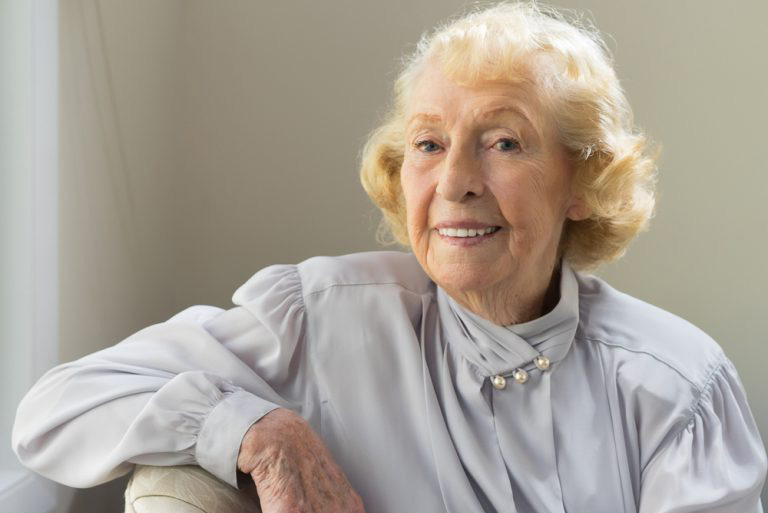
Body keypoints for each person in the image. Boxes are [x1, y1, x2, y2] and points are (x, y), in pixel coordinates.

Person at [12, 2, 767, 512]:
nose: (456, 182)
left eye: (503, 141)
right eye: (429, 144)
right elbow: (53, 409)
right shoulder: (319, 317)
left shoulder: (675, 387)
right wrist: (260, 431)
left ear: (582, 179)